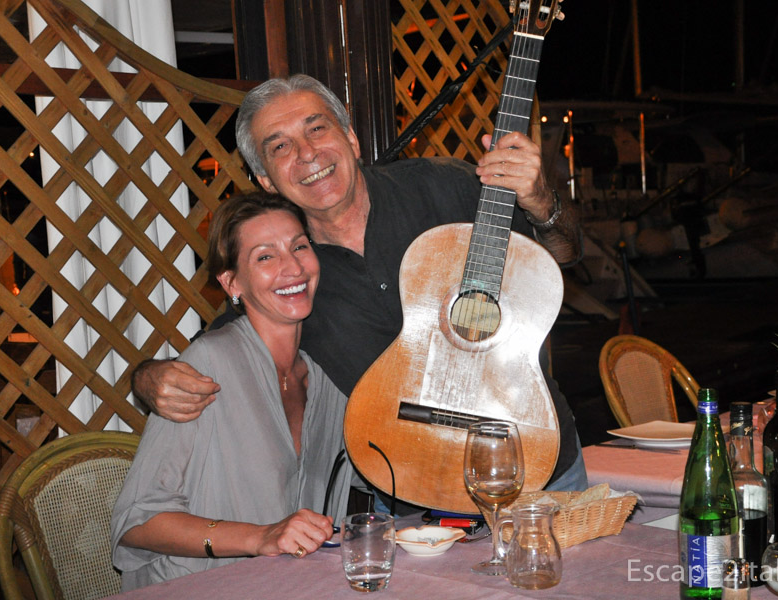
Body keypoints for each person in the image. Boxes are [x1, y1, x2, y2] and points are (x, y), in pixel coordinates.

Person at [132, 74, 588, 508]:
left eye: (317, 128)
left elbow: (563, 255)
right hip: (411, 499)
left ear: (350, 139)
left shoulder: (444, 186)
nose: (307, 153)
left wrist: (541, 202)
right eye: (280, 146)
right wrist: (149, 378)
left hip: (534, 461)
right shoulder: (289, 275)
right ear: (266, 179)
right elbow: (214, 350)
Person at [111, 191, 353, 590]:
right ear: (231, 282)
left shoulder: (328, 379)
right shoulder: (209, 364)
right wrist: (260, 537)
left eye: (299, 247)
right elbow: (137, 521)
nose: (293, 267)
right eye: (265, 257)